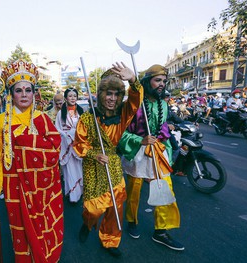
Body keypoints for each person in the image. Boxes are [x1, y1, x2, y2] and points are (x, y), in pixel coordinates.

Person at [0, 59, 64, 263]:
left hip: (40, 187)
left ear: (33, 93)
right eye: (19, 90)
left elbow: (55, 149)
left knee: (40, 225)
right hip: (13, 182)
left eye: (28, 89)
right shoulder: (1, 120)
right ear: (11, 93)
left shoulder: (42, 118)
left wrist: (25, 141)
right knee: (18, 228)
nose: (24, 94)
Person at [73, 62, 143, 258]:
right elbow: (79, 144)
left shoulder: (123, 115)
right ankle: (87, 223)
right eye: (108, 94)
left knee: (115, 205)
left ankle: (110, 240)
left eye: (116, 94)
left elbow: (136, 101)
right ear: (101, 94)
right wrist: (94, 154)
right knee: (93, 208)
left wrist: (133, 81)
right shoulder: (87, 118)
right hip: (93, 166)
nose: (112, 99)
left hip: (112, 163)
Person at [118, 64, 184, 251]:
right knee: (135, 190)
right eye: (158, 80)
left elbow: (164, 131)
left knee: (164, 188)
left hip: (158, 151)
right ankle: (132, 221)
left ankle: (161, 231)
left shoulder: (163, 104)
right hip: (137, 152)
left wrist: (167, 151)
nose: (162, 84)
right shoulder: (133, 103)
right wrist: (140, 140)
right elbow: (120, 132)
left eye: (164, 81)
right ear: (148, 82)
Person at [55, 87, 84, 203]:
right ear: (66, 98)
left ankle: (79, 192)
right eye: (70, 96)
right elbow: (57, 129)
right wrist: (68, 136)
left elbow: (85, 128)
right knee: (69, 171)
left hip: (78, 145)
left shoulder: (81, 111)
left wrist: (77, 136)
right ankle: (72, 195)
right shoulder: (60, 113)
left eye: (74, 96)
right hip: (67, 144)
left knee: (79, 169)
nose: (72, 98)